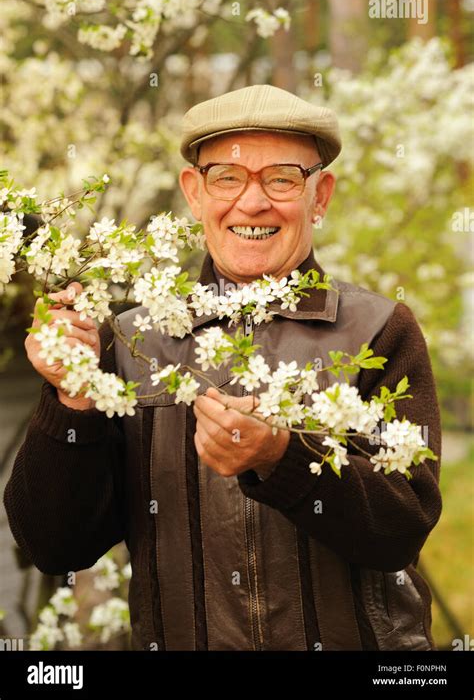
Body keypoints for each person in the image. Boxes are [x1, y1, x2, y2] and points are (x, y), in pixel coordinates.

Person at [4, 84, 442, 651]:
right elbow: (54, 546)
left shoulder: (380, 332)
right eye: (227, 177)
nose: (252, 203)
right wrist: (72, 397)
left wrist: (282, 459)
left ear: (320, 195)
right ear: (194, 192)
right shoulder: (129, 342)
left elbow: (401, 531)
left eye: (282, 177)